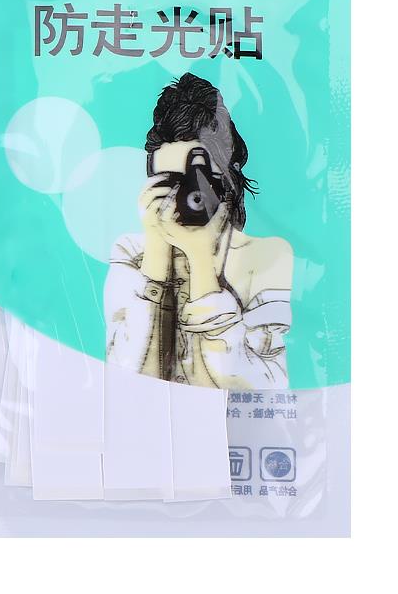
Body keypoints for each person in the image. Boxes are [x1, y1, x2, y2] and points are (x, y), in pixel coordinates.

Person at [105, 73, 292, 390]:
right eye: (172, 180)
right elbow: (126, 381)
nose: (189, 195)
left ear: (228, 178)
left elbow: (255, 389)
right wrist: (156, 253)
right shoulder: (131, 253)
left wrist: (202, 262)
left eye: (199, 179)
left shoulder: (266, 258)